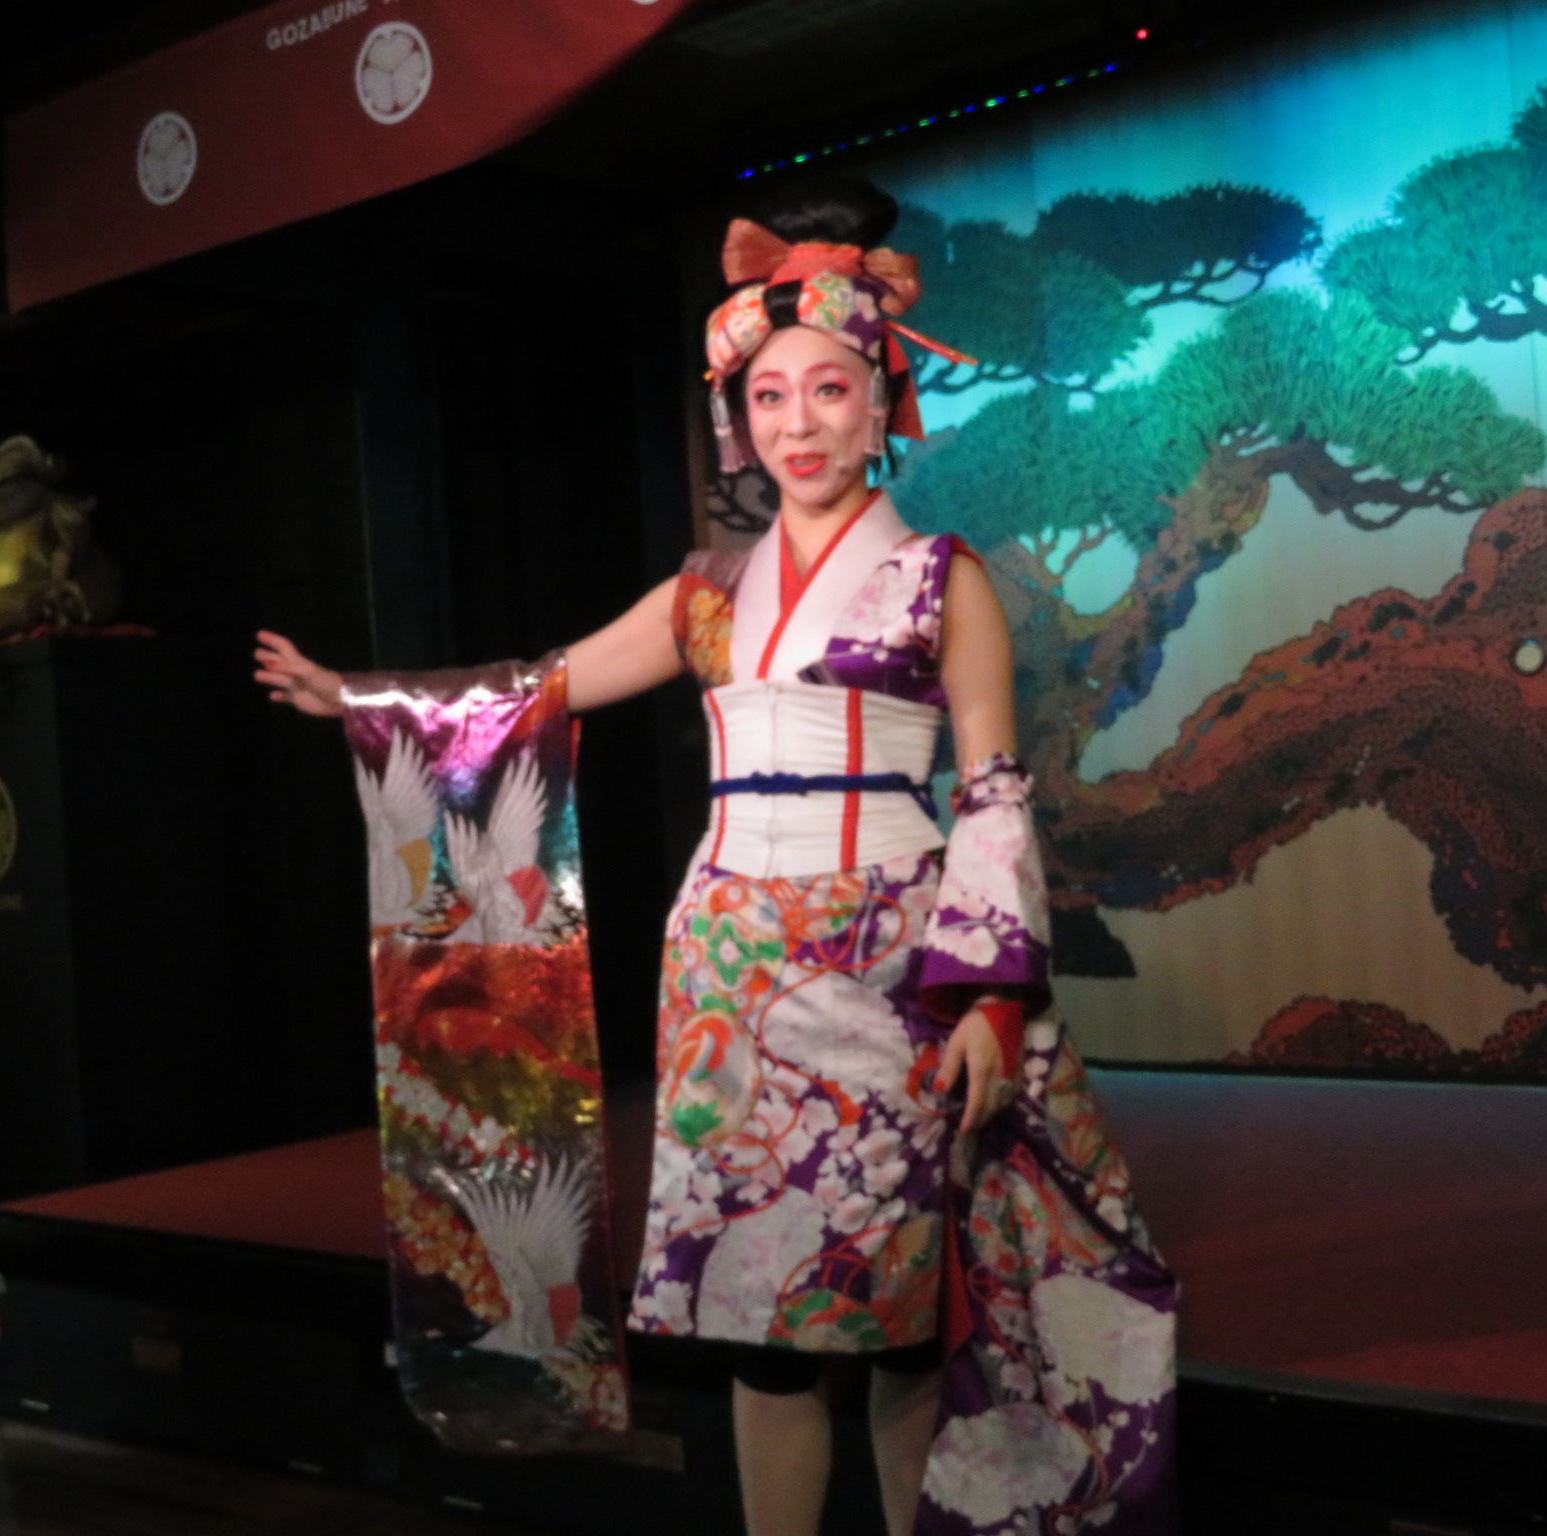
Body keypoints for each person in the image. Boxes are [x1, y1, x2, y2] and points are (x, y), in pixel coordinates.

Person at [255, 182, 1175, 1535]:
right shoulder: (703, 591)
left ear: (884, 402)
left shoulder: (942, 578)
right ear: (737, 418)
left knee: (897, 1318)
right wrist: (362, 697)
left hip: (892, 967)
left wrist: (988, 996)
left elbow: (990, 790)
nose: (798, 424)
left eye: (830, 392)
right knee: (761, 1330)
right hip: (726, 969)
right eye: (769, 397)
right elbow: (540, 688)